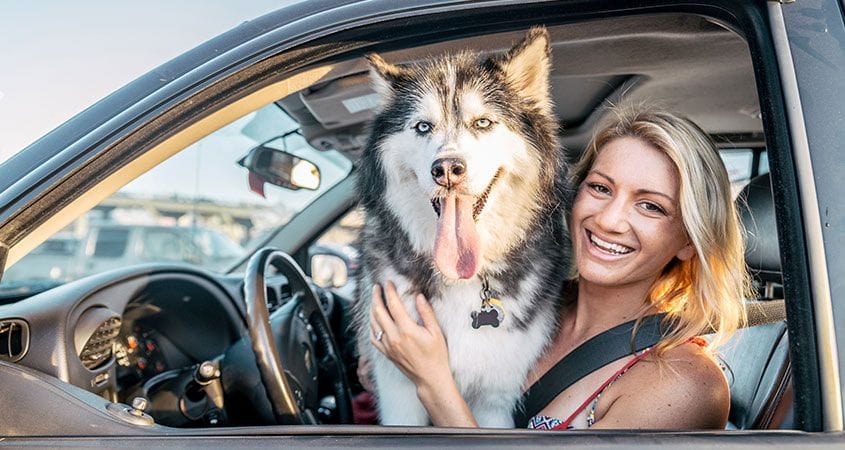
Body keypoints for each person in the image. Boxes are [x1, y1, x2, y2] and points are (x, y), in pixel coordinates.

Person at [366, 104, 752, 430]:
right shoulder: (529, 305)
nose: (608, 220)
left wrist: (432, 383)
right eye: (600, 188)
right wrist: (393, 367)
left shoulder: (685, 385)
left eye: (650, 206)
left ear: (688, 240)